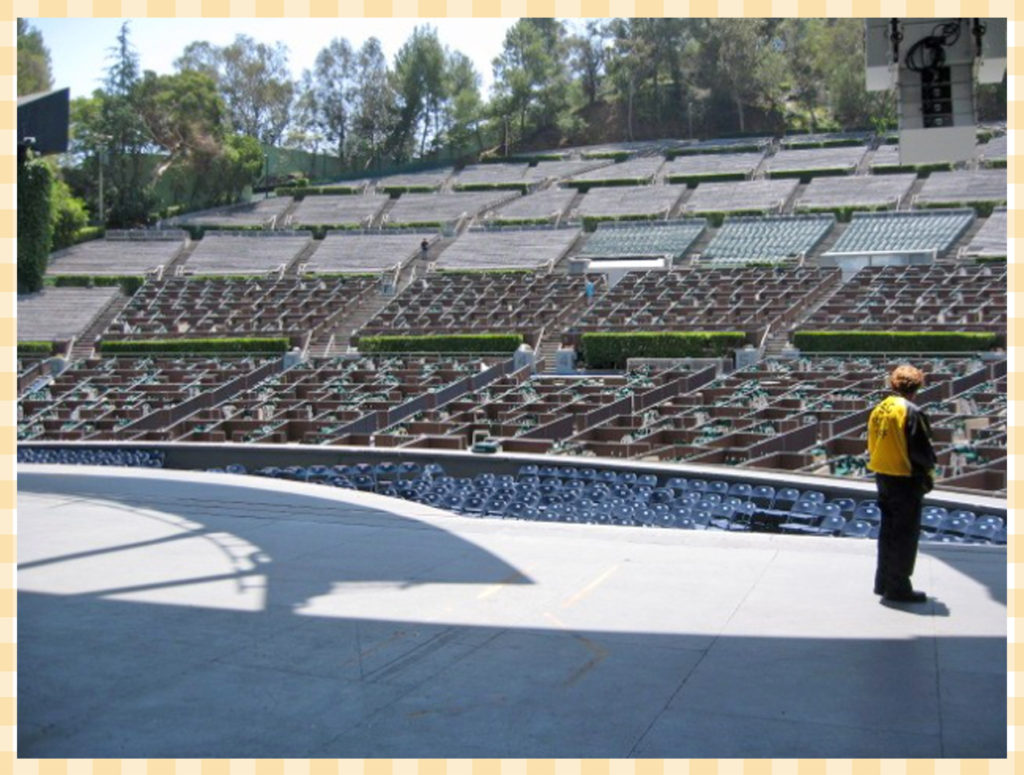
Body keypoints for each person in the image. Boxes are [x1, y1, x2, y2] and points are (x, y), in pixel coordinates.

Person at [866, 364, 937, 603]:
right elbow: (921, 452)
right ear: (917, 386)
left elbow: (872, 444)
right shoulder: (911, 411)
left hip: (882, 476)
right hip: (904, 479)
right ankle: (898, 586)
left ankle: (883, 581)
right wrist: (928, 473)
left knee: (887, 531)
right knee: (905, 534)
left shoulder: (880, 408)